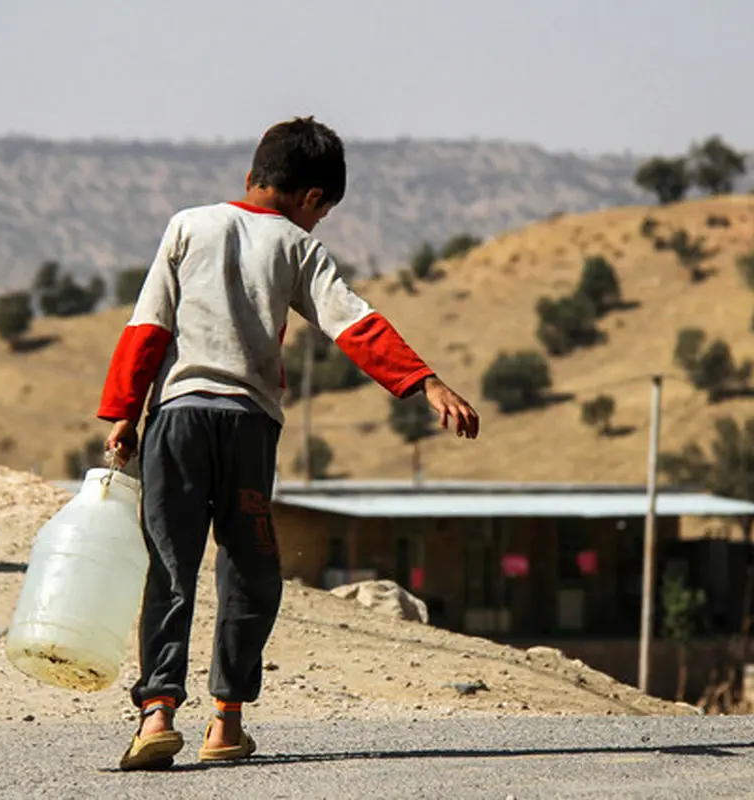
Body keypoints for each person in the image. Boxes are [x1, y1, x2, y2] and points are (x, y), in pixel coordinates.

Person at [97, 116, 480, 771]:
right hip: (246, 424)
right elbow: (354, 324)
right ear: (312, 199)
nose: (317, 224)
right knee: (249, 569)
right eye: (321, 213)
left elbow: (147, 328)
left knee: (171, 565)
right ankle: (226, 723)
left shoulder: (187, 224)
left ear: (253, 175)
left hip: (179, 421)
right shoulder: (297, 247)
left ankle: (158, 712)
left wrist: (123, 415)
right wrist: (426, 383)